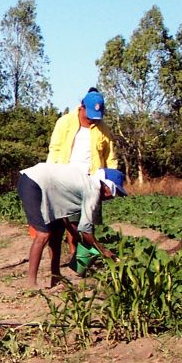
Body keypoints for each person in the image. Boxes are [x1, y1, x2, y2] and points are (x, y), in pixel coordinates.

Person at [17, 163, 128, 289]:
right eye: (115, 192)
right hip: (33, 183)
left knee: (57, 233)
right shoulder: (93, 189)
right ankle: (31, 284)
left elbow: (74, 221)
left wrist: (79, 236)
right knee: (43, 234)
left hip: (42, 185)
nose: (112, 197)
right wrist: (103, 251)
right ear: (107, 187)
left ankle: (56, 277)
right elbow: (86, 230)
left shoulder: (87, 183)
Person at [46, 88, 118, 258]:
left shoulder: (103, 130)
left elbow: (110, 158)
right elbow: (54, 149)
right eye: (90, 114)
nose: (93, 119)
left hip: (90, 180)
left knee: (86, 222)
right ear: (82, 107)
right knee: (64, 221)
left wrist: (110, 182)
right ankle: (70, 255)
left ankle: (81, 258)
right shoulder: (64, 123)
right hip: (65, 177)